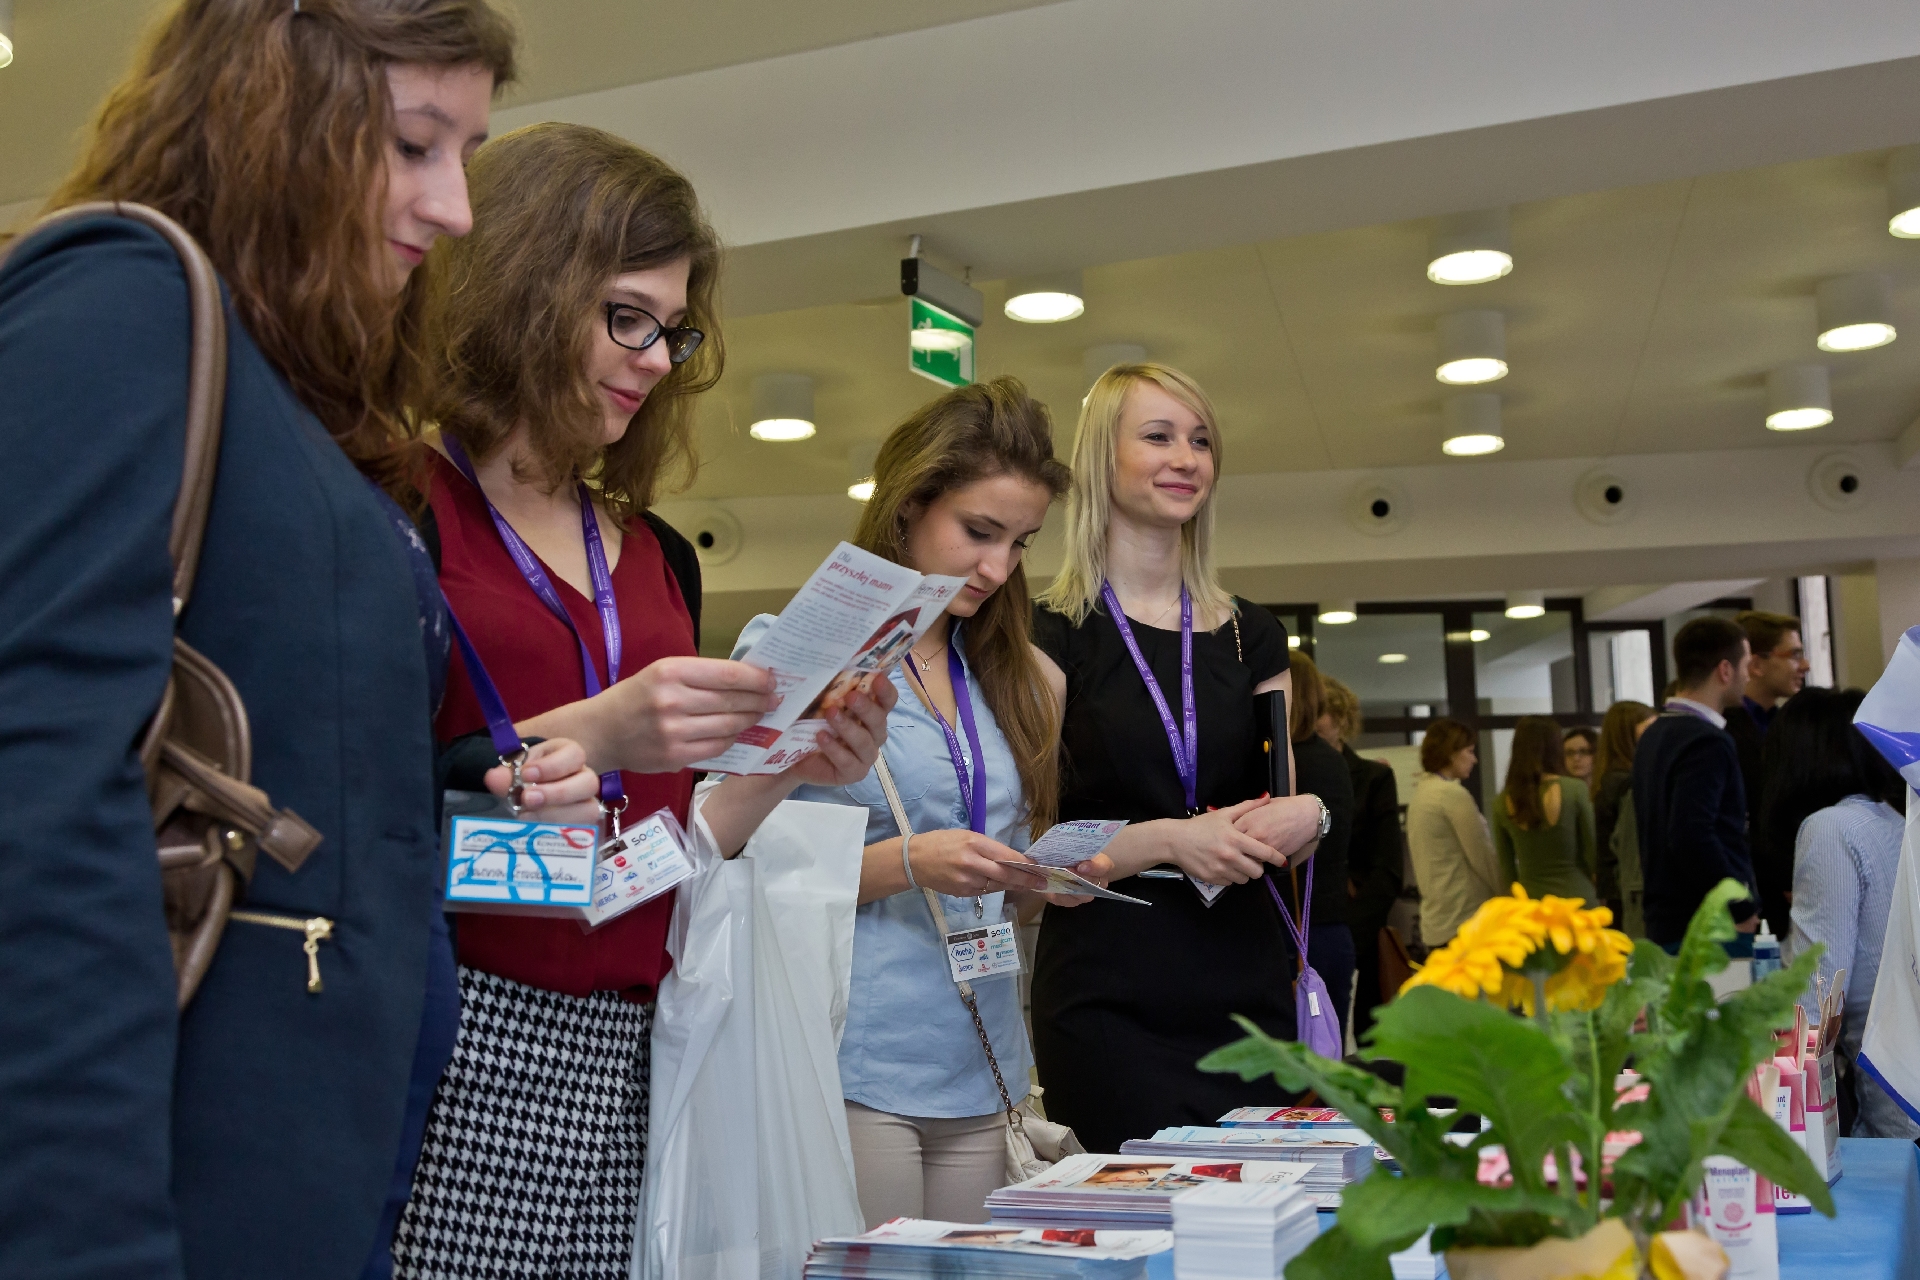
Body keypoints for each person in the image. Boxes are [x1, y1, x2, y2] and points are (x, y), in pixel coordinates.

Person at [0, 4, 524, 1277]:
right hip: (154, 1184)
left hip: (306, 1162)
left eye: (465, 153)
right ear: (270, 114)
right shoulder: (120, 300)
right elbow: (39, 802)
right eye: (413, 144)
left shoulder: (288, 395)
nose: (455, 206)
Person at [391, 124, 892, 1275]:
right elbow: (360, 805)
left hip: (644, 1039)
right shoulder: (404, 509)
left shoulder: (657, 552)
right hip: (462, 1030)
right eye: (626, 317)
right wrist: (602, 727)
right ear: (523, 289)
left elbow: (672, 841)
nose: (658, 357)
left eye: (673, 328)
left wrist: (786, 764)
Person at [736, 377, 1109, 1227]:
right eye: (978, 532)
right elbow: (744, 864)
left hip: (984, 1053)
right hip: (854, 1051)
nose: (998, 568)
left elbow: (1000, 888)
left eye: (1019, 543)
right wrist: (910, 861)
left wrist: (1037, 881)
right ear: (908, 506)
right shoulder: (800, 651)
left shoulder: (1017, 678)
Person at [1029, 362, 1326, 1154]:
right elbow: (1031, 852)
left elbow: (1283, 817)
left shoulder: (1253, 634)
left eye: (1201, 441)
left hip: (1246, 986)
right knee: (1132, 1214)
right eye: (1158, 437)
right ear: (1102, 458)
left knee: (1261, 1210)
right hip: (1107, 995)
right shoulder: (1048, 632)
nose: (1186, 459)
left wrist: (1312, 816)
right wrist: (1169, 839)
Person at [1768, 688, 1918, 1140]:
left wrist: (1779, 1111)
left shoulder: (1830, 828)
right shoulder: (1894, 820)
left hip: (1899, 1095)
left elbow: (1816, 998)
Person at [1635, 616, 1760, 952]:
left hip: (1666, 920)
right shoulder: (1707, 741)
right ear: (1725, 670)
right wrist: (1739, 906)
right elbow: (1691, 834)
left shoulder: (1654, 734)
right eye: (1745, 665)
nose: (1748, 676)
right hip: (1710, 926)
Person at [1319, 676, 1402, 1040]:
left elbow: (1387, 870)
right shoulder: (1288, 776)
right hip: (1309, 934)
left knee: (1364, 1040)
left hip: (1357, 932)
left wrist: (1351, 939)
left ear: (1340, 719)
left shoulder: (1373, 777)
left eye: (1318, 712)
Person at [1283, 653, 1358, 1045]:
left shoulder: (1289, 762)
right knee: (1325, 1058)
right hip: (1326, 927)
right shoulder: (1332, 761)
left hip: (1299, 930)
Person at [1730, 610, 1812, 937]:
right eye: (1793, 655)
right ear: (1756, 664)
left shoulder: (1785, 726)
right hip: (1749, 898)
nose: (1805, 665)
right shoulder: (1726, 732)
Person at [1405, 719, 1499, 947]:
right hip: (1464, 921)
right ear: (1451, 753)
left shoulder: (1422, 794)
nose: (1474, 759)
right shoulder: (1451, 795)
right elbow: (1482, 856)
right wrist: (1512, 895)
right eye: (1469, 751)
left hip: (1437, 922)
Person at [1490, 716, 1597, 903]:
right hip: (1577, 899)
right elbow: (1592, 853)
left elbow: (1507, 870)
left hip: (1531, 904)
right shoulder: (1575, 790)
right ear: (1555, 748)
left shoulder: (1501, 802)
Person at [1590, 700, 1655, 934]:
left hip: (1614, 886)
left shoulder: (1607, 779)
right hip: (1627, 886)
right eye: (1648, 728)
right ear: (1627, 734)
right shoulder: (1626, 783)